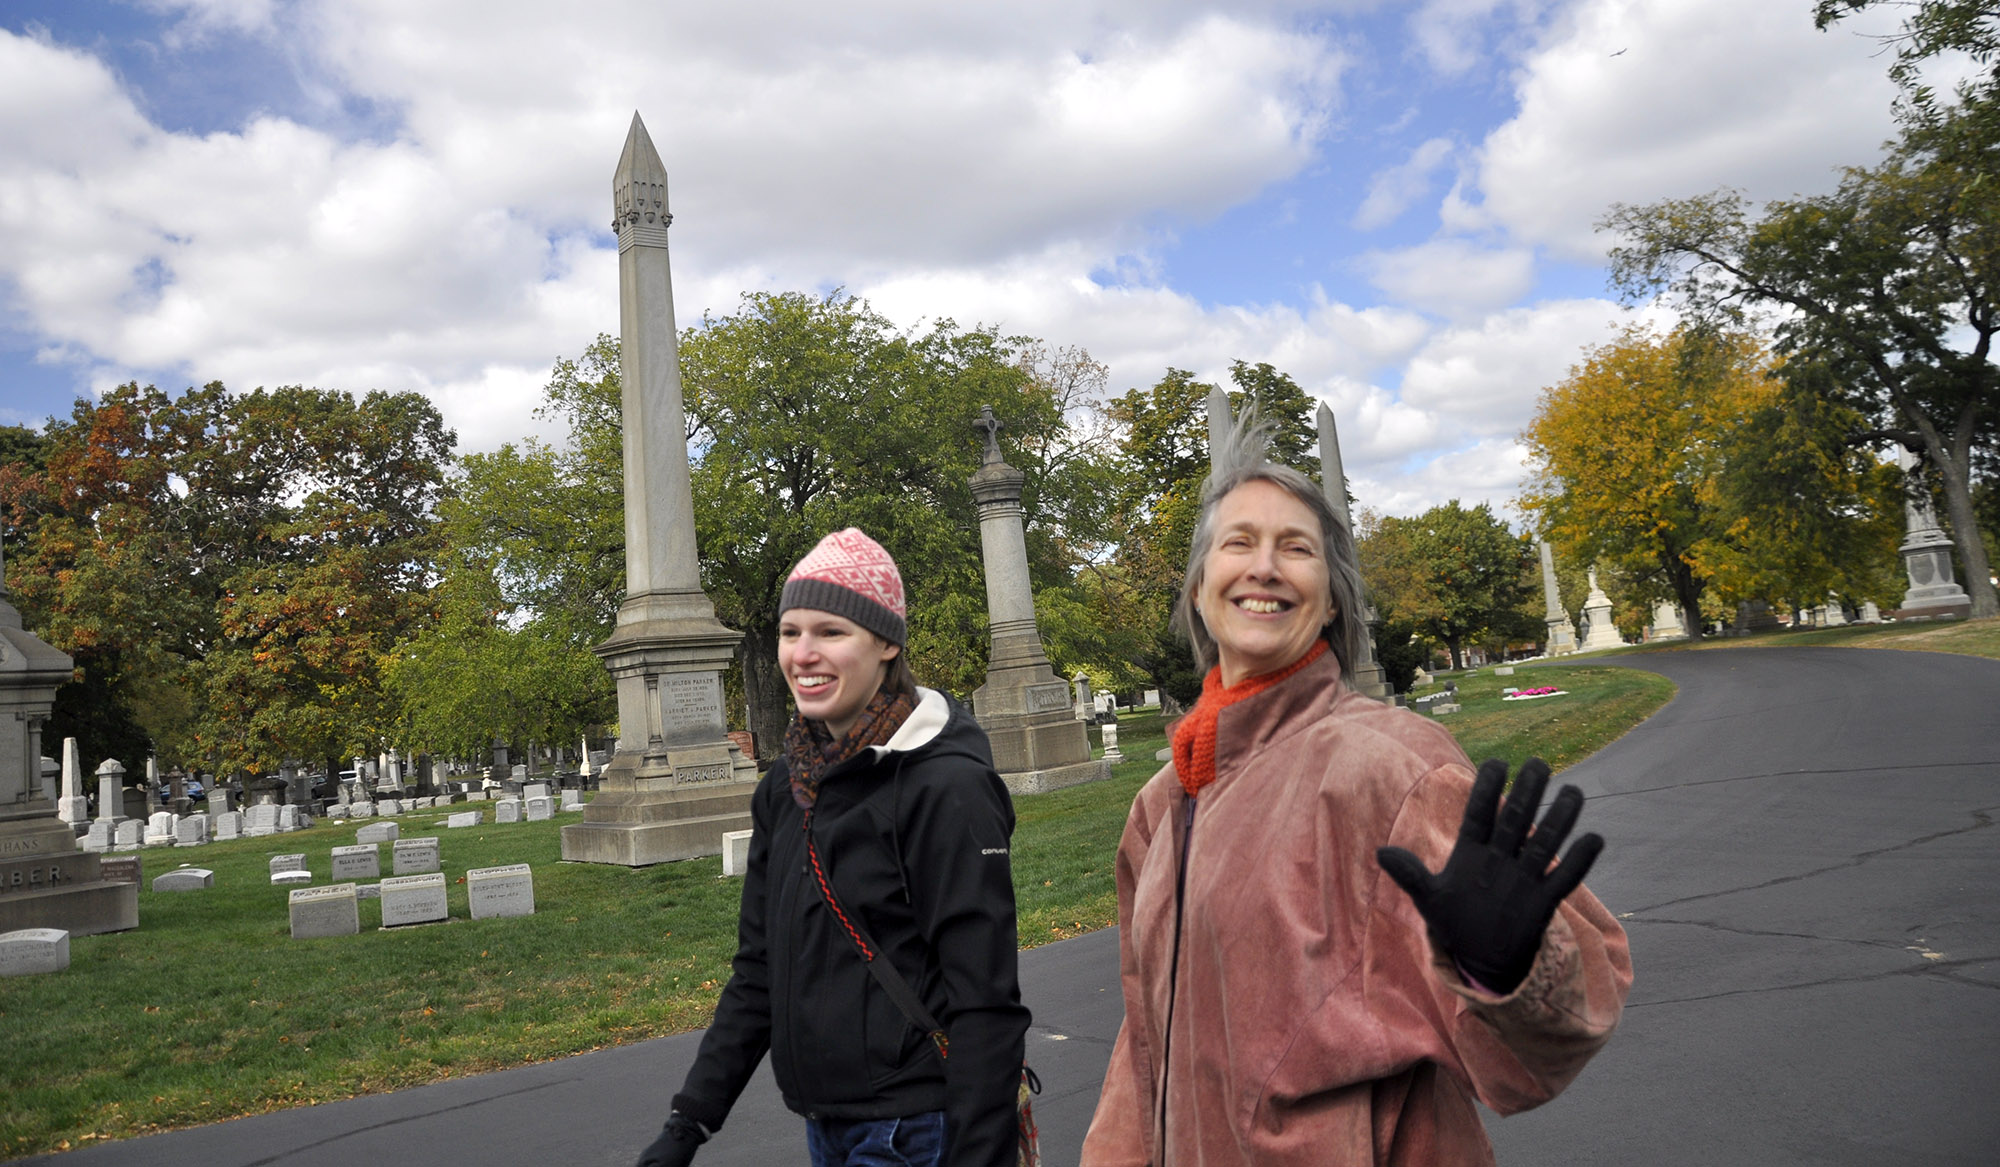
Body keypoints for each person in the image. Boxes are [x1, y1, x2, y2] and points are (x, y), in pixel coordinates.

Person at [1081, 412, 1632, 1166]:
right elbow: (1145, 1041)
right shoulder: (1162, 802)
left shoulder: (1390, 766)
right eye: (1238, 542)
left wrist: (1508, 967)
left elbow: (1578, 1003)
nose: (1264, 566)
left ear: (1332, 599)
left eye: (1296, 547)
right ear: (1201, 588)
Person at [637, 528, 1031, 1167]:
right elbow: (759, 969)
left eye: (831, 631)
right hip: (827, 1126)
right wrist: (688, 1123)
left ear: (886, 643)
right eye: (790, 632)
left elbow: (985, 1002)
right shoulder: (785, 788)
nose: (803, 654)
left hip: (916, 1129)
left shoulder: (946, 787)